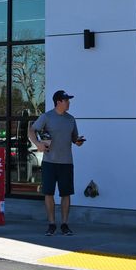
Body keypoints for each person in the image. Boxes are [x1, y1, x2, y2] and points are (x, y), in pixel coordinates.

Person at [32, 90, 86, 236]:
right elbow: (32, 130)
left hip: (66, 163)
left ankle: (64, 224)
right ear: (58, 102)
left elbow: (74, 139)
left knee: (66, 194)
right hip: (49, 162)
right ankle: (51, 224)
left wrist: (78, 141)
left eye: (68, 100)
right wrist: (38, 143)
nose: (69, 102)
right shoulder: (47, 117)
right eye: (66, 100)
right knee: (48, 193)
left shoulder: (71, 119)